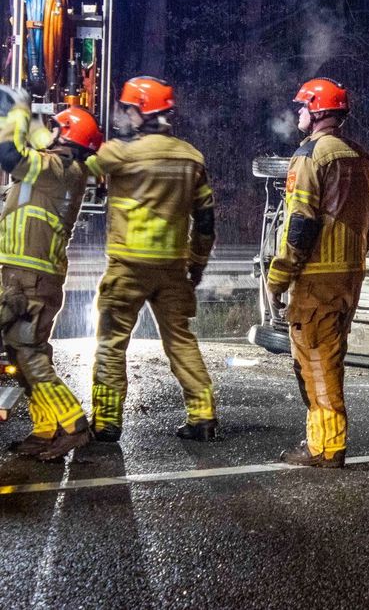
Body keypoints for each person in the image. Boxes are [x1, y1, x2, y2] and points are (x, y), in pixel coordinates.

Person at [88, 76, 218, 442]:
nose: (124, 115)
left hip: (128, 267)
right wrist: (197, 263)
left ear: (141, 111)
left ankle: (107, 421)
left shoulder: (119, 153)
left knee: (112, 343)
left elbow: (76, 172)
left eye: (128, 109)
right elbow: (206, 218)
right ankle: (203, 414)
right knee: (180, 340)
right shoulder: (191, 157)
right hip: (173, 268)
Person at [268, 78, 369, 467]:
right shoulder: (359, 155)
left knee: (316, 358)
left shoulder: (311, 156)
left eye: (302, 106)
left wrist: (279, 275)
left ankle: (327, 446)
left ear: (317, 111)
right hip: (350, 271)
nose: (297, 113)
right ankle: (319, 440)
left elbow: (300, 223)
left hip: (317, 272)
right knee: (329, 353)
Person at [0, 88, 102, 459]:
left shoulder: (57, 170)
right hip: (24, 272)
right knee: (24, 353)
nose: (50, 132)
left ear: (67, 137)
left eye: (57, 129)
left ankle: (74, 426)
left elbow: (9, 154)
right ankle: (45, 429)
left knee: (30, 356)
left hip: (32, 279)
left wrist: (16, 112)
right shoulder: (58, 168)